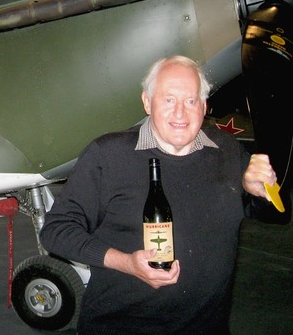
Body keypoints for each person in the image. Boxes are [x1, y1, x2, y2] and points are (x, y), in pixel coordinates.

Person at [39, 55, 278, 334]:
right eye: (168, 100)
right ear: (147, 102)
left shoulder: (225, 149)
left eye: (190, 101)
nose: (180, 113)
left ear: (204, 106)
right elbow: (56, 231)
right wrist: (125, 262)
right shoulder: (109, 155)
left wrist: (262, 193)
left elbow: (270, 213)